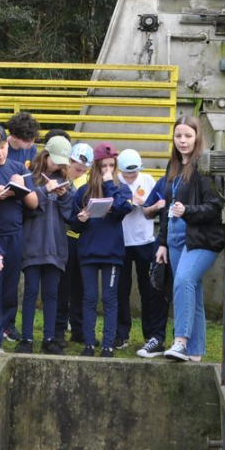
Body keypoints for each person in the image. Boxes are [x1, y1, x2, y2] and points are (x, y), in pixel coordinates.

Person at [155, 116, 225, 362]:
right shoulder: (172, 166)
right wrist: (162, 242)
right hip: (174, 239)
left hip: (201, 240)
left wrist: (188, 211)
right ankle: (195, 353)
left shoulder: (204, 166)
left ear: (197, 138)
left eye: (188, 136)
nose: (183, 141)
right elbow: (166, 208)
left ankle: (181, 342)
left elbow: (215, 207)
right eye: (178, 136)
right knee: (191, 292)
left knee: (183, 280)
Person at [71, 142, 132, 358]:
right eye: (103, 166)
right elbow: (73, 223)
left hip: (112, 253)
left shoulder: (121, 189)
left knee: (109, 298)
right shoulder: (83, 192)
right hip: (88, 252)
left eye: (111, 165)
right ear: (96, 166)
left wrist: (109, 185)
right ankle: (89, 343)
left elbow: (124, 208)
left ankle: (107, 345)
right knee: (89, 297)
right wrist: (81, 219)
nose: (107, 170)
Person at [18, 136, 75, 355]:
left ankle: (50, 337)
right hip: (33, 244)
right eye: (55, 160)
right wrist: (46, 191)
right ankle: (27, 338)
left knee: (52, 292)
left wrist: (63, 196)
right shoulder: (29, 178)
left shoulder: (64, 180)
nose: (59, 165)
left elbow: (69, 214)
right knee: (31, 291)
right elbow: (27, 209)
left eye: (63, 162)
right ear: (46, 155)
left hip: (55, 246)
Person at [0, 123, 38, 345]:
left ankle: (7, 324)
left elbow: (34, 203)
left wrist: (21, 186)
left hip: (14, 233)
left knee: (11, 283)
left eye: (3, 147)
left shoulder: (18, 167)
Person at [114, 149, 168, 357]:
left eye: (133, 173)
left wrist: (153, 205)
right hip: (121, 241)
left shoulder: (147, 179)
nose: (130, 178)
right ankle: (121, 333)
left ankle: (150, 335)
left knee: (149, 290)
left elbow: (154, 206)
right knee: (121, 289)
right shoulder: (116, 182)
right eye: (127, 174)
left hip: (145, 241)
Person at [55, 143, 93, 345]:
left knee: (81, 288)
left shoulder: (89, 183)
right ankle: (59, 329)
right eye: (77, 167)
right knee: (63, 287)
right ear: (69, 162)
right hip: (65, 239)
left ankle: (78, 329)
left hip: (84, 241)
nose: (80, 171)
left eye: (84, 169)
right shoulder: (61, 180)